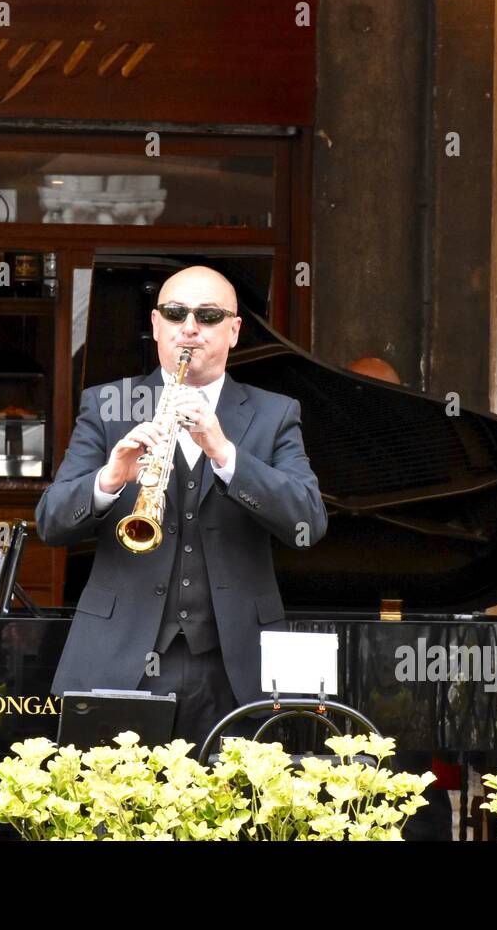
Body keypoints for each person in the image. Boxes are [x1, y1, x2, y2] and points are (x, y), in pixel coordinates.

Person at [37, 265, 328, 746]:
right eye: (175, 313)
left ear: (234, 331)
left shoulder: (275, 414)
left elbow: (308, 521)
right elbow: (50, 522)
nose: (189, 326)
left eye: (208, 315)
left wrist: (226, 453)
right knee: (114, 819)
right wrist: (109, 478)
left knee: (237, 817)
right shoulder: (108, 403)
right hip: (121, 656)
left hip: (233, 666)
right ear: (156, 326)